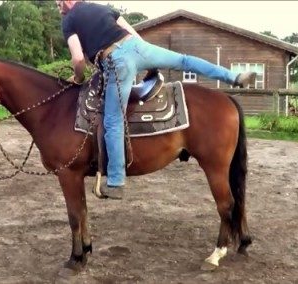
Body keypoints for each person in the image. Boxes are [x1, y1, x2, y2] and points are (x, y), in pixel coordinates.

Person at [56, 0, 256, 199]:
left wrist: (78, 78)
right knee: (184, 60)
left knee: (113, 120)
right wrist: (149, 63)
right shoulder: (103, 8)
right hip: (138, 47)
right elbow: (132, 33)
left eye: (58, 1)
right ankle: (233, 77)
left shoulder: (69, 19)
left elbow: (78, 59)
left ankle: (116, 181)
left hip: (116, 60)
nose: (57, 5)